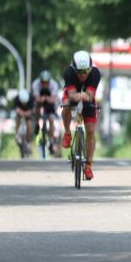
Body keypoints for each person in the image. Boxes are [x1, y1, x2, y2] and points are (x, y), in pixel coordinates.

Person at [60, 51, 102, 180]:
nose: (83, 75)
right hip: (73, 93)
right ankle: (67, 132)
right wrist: (80, 96)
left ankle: (88, 165)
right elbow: (72, 95)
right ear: (74, 69)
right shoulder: (69, 73)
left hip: (87, 97)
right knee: (66, 104)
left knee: (90, 130)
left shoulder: (95, 73)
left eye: (86, 71)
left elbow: (90, 96)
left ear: (90, 68)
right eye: (79, 72)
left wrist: (85, 96)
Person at [32, 69, 59, 152]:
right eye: (43, 82)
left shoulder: (54, 85)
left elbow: (53, 99)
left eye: (46, 82)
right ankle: (37, 122)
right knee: (36, 106)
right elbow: (37, 98)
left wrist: (46, 98)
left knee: (51, 119)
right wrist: (42, 99)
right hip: (40, 101)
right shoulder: (36, 84)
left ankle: (51, 140)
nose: (44, 84)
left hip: (50, 103)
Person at [14, 89, 35, 156]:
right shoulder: (16, 98)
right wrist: (21, 112)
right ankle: (17, 133)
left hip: (28, 112)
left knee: (29, 125)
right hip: (20, 111)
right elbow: (16, 109)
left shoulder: (31, 98)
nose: (24, 104)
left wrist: (26, 113)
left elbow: (32, 110)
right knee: (18, 119)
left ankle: (28, 141)